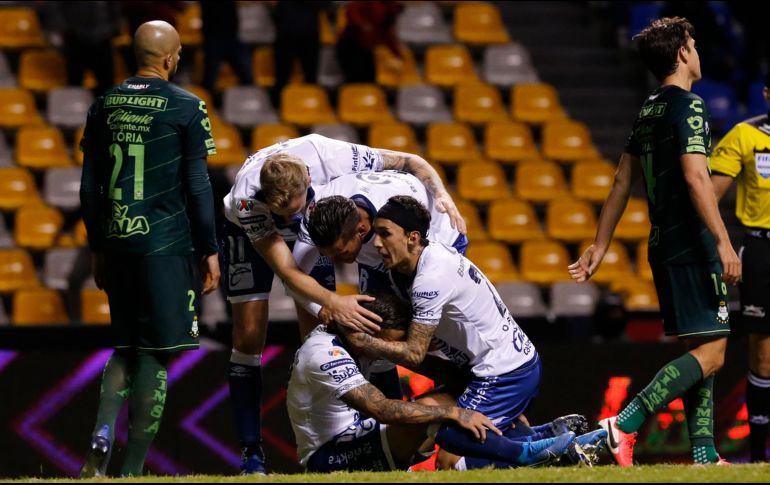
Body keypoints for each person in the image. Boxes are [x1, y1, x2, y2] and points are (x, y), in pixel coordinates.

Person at [221, 135, 464, 473]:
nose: (290, 219)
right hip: (249, 231)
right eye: (284, 213)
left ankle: (376, 436)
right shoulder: (247, 201)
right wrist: (331, 302)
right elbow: (288, 272)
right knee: (249, 336)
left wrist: (443, 194)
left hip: (317, 227)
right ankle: (252, 454)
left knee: (334, 330)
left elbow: (411, 161)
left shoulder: (328, 156)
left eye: (295, 210)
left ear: (310, 179)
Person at [567, 17, 741, 466]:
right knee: (714, 354)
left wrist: (600, 245)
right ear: (682, 52)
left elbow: (621, 181)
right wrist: (722, 241)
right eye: (694, 44)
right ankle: (624, 422)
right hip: (692, 243)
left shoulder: (648, 109)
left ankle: (704, 453)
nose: (698, 51)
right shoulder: (690, 106)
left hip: (663, 243)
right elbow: (696, 176)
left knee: (700, 347)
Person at [337, 196, 602, 470]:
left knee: (450, 437)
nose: (376, 243)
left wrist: (363, 341)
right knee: (447, 426)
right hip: (489, 367)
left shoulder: (430, 277)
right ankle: (550, 436)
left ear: (413, 238)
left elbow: (414, 353)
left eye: (385, 234)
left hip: (503, 372)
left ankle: (538, 452)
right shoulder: (408, 268)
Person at [78, 20, 220, 477]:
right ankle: (133, 469)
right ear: (169, 57)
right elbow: (198, 185)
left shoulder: (103, 104)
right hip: (166, 245)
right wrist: (209, 248)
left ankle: (102, 431)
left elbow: (88, 187)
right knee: (155, 353)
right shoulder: (186, 106)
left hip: (117, 243)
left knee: (125, 347)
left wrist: (98, 247)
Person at [288, 290, 597, 472]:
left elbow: (448, 375)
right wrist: (455, 412)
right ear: (366, 331)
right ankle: (526, 453)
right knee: (438, 410)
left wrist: (491, 402)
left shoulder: (360, 338)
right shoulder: (324, 353)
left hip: (363, 436)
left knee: (463, 394)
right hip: (330, 456)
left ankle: (535, 439)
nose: (389, 350)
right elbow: (381, 409)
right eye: (388, 343)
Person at [291, 172, 466, 400]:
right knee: (375, 325)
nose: (335, 260)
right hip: (381, 248)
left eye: (340, 252)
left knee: (429, 334)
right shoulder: (317, 213)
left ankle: (462, 391)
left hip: (435, 240)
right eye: (327, 254)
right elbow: (292, 277)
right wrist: (323, 308)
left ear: (361, 231)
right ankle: (384, 408)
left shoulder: (412, 234)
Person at [709, 72, 770, 462]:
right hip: (762, 251)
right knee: (762, 356)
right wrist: (722, 245)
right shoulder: (745, 135)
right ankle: (760, 456)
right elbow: (708, 198)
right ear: (766, 93)